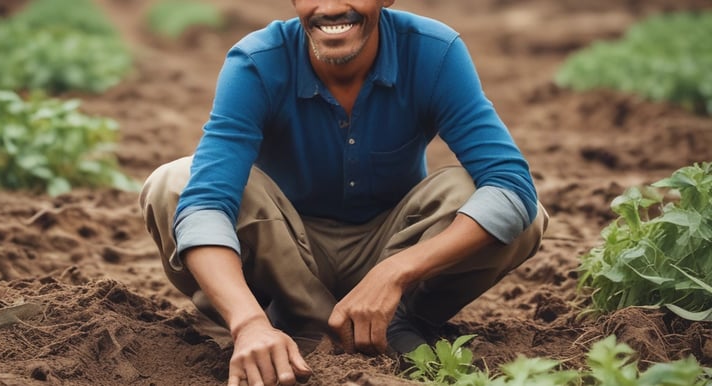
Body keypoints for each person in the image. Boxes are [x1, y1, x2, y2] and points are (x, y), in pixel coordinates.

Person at [140, 0, 548, 385]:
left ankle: (401, 321)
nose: (331, 7)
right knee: (174, 183)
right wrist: (248, 323)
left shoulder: (433, 52)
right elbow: (206, 202)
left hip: (391, 247)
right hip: (283, 253)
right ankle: (284, 324)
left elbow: (510, 184)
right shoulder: (257, 62)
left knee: (502, 204)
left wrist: (395, 274)